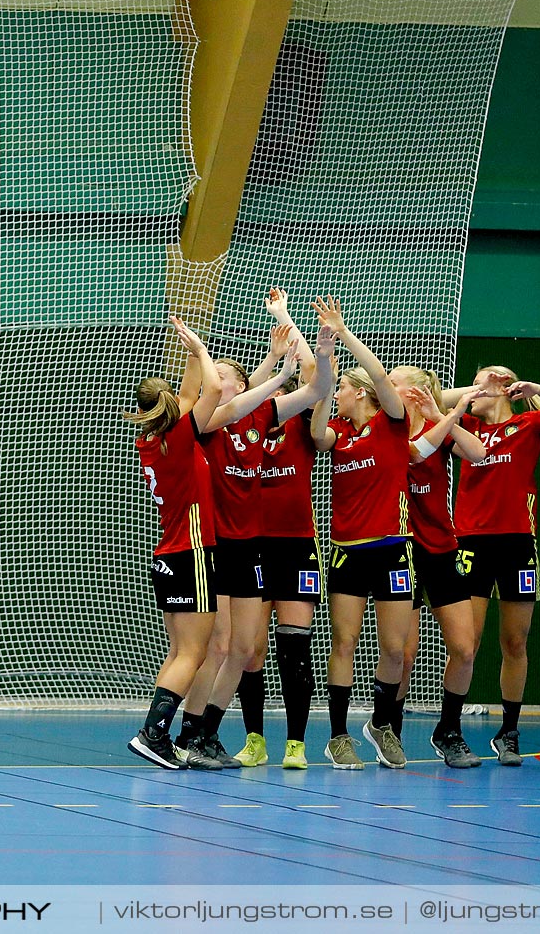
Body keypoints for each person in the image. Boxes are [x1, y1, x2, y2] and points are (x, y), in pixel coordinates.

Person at [439, 365, 540, 765]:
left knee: (515, 642)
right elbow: (432, 401)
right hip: (471, 542)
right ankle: (449, 729)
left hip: (518, 543)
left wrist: (539, 386)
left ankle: (509, 732)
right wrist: (475, 389)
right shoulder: (464, 422)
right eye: (482, 376)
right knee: (466, 643)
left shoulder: (530, 423)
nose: (489, 381)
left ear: (512, 387)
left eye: (498, 377)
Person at [170, 320, 305, 770]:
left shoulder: (257, 420)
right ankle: (187, 734)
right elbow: (222, 400)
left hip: (251, 548)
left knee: (245, 650)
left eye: (228, 374)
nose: (220, 379)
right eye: (218, 375)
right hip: (212, 546)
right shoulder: (205, 424)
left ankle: (207, 732)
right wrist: (275, 370)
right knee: (218, 647)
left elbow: (295, 392)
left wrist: (294, 359)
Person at [309, 296, 411, 770]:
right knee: (345, 642)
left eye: (346, 388)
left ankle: (383, 723)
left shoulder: (393, 424)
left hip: (393, 549)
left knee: (395, 647)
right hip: (348, 551)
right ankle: (337, 735)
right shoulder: (337, 433)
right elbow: (315, 433)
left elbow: (385, 381)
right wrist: (326, 365)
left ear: (363, 393)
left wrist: (345, 334)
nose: (341, 394)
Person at [127, 316, 223, 768]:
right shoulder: (180, 438)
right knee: (196, 652)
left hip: (168, 554)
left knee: (180, 651)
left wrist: (188, 349)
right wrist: (203, 351)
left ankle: (156, 733)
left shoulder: (152, 440)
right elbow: (213, 393)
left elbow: (187, 397)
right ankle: (153, 733)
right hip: (193, 552)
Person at [388, 367, 487, 768]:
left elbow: (479, 454)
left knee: (465, 648)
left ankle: (448, 730)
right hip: (400, 548)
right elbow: (412, 453)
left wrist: (438, 414)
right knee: (404, 653)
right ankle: (389, 730)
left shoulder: (438, 425)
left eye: (392, 382)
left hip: (442, 547)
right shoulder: (386, 427)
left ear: (415, 391)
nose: (384, 387)